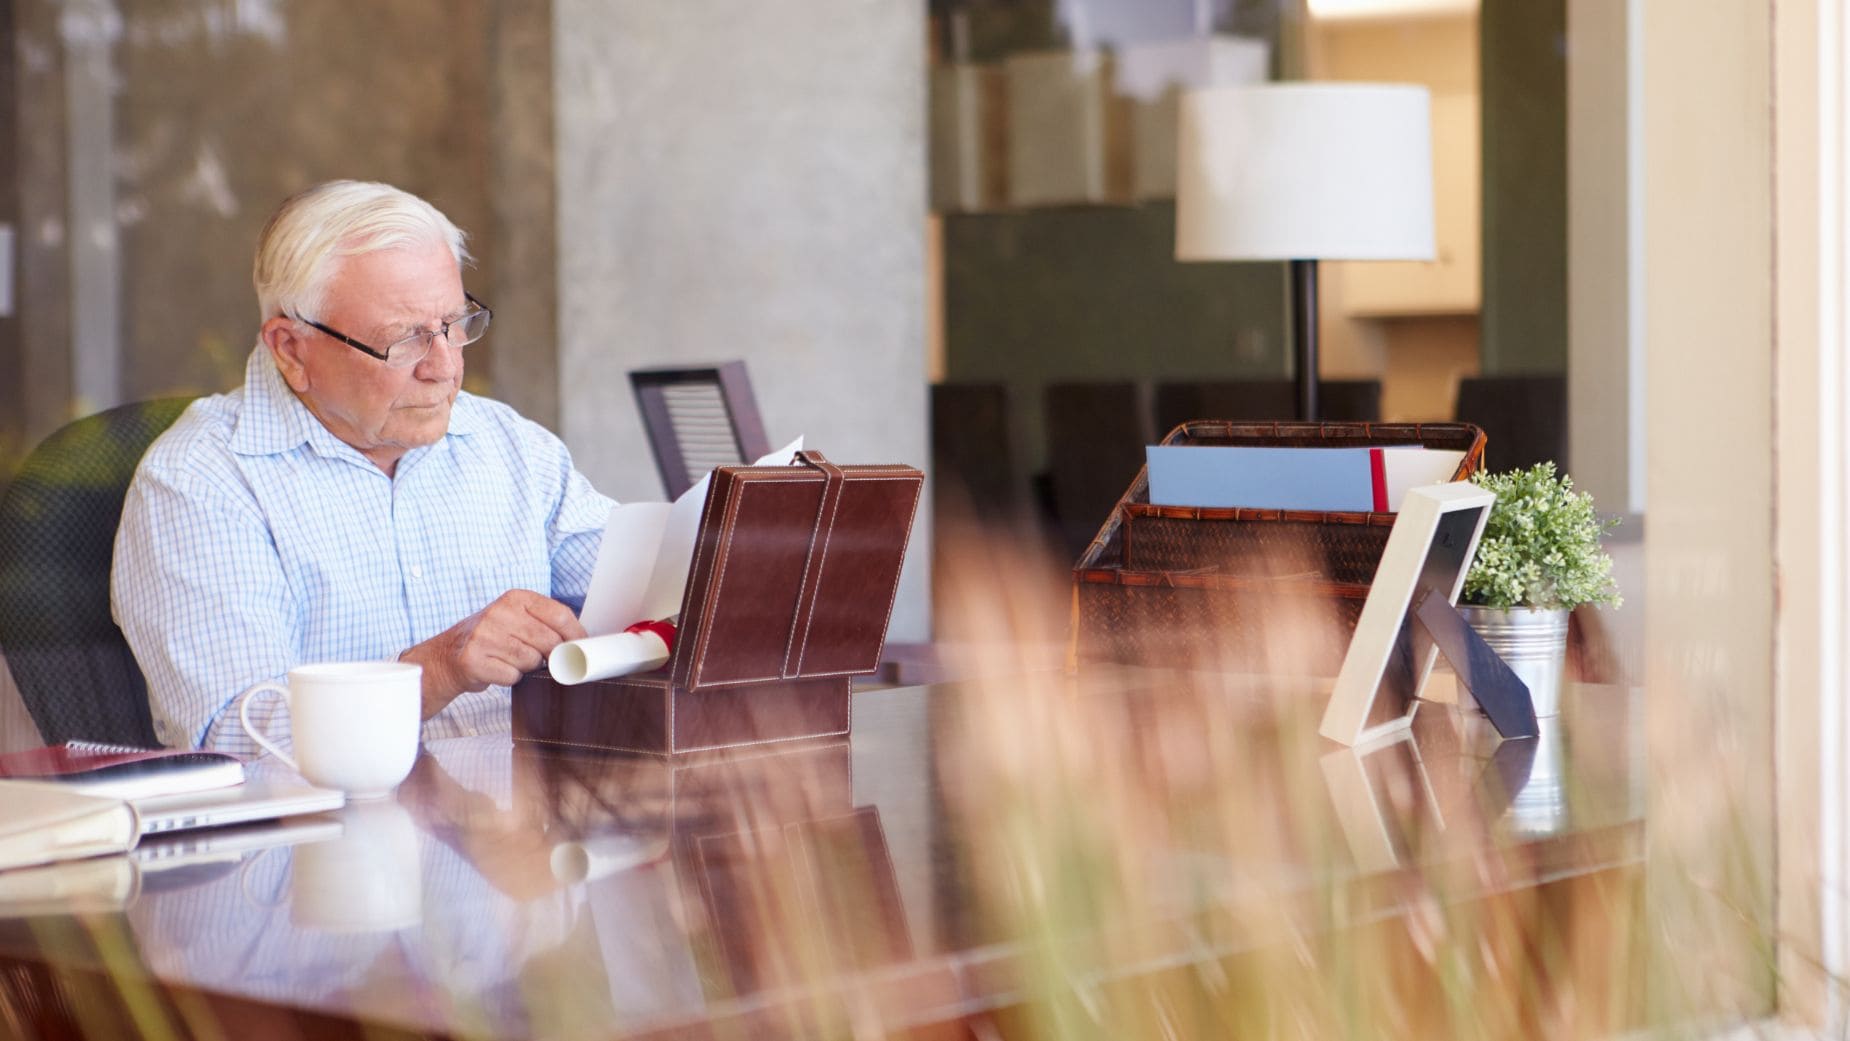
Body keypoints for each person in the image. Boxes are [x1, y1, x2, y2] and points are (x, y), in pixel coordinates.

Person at [112, 180, 612, 752]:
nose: (445, 368)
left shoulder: (509, 445)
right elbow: (236, 736)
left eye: (454, 325)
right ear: (291, 349)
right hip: (328, 834)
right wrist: (437, 671)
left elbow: (646, 590)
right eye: (404, 340)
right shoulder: (200, 481)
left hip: (523, 822)